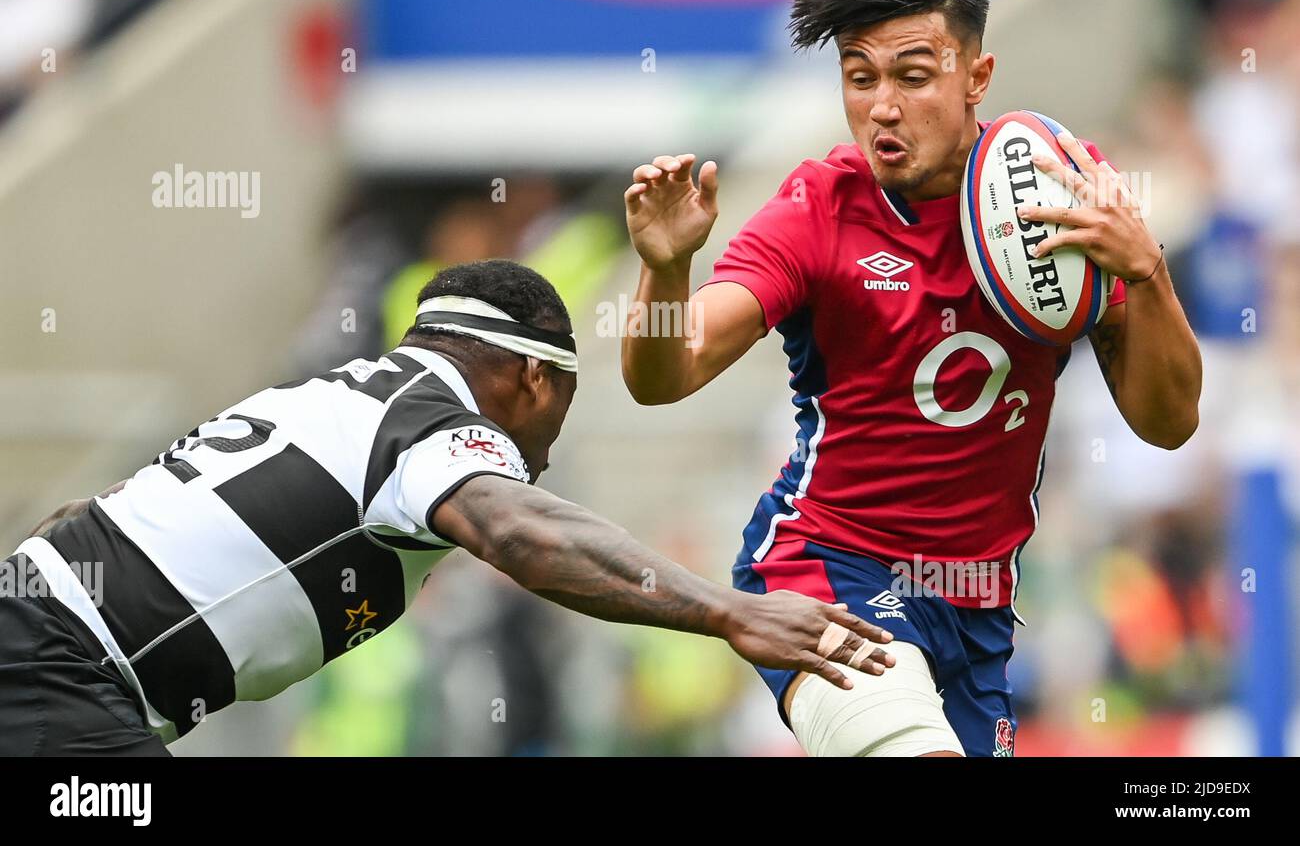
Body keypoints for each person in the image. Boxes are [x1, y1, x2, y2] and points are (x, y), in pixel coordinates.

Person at [620, 0, 1202, 757]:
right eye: (859, 78)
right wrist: (666, 272)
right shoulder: (817, 211)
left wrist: (1146, 273)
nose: (882, 107)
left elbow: (1170, 421)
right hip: (827, 572)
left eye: (913, 75)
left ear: (977, 75)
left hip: (977, 606)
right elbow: (665, 373)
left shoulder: (1060, 193)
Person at [0, 259, 894, 755]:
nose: (538, 457)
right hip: (62, 674)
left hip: (46, 645)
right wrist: (729, 609)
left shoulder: (327, 397)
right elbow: (518, 532)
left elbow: (79, 515)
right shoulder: (436, 425)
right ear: (534, 377)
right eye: (561, 404)